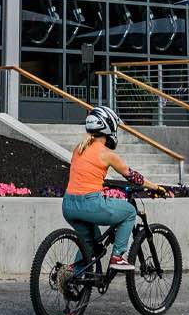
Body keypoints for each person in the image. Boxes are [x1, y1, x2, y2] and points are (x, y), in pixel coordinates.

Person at [62, 106, 151, 274]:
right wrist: (157, 188)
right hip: (90, 204)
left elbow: (86, 175)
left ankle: (72, 277)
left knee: (91, 242)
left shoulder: (78, 148)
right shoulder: (106, 153)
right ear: (108, 126)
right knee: (130, 211)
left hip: (68, 205)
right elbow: (133, 177)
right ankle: (117, 256)